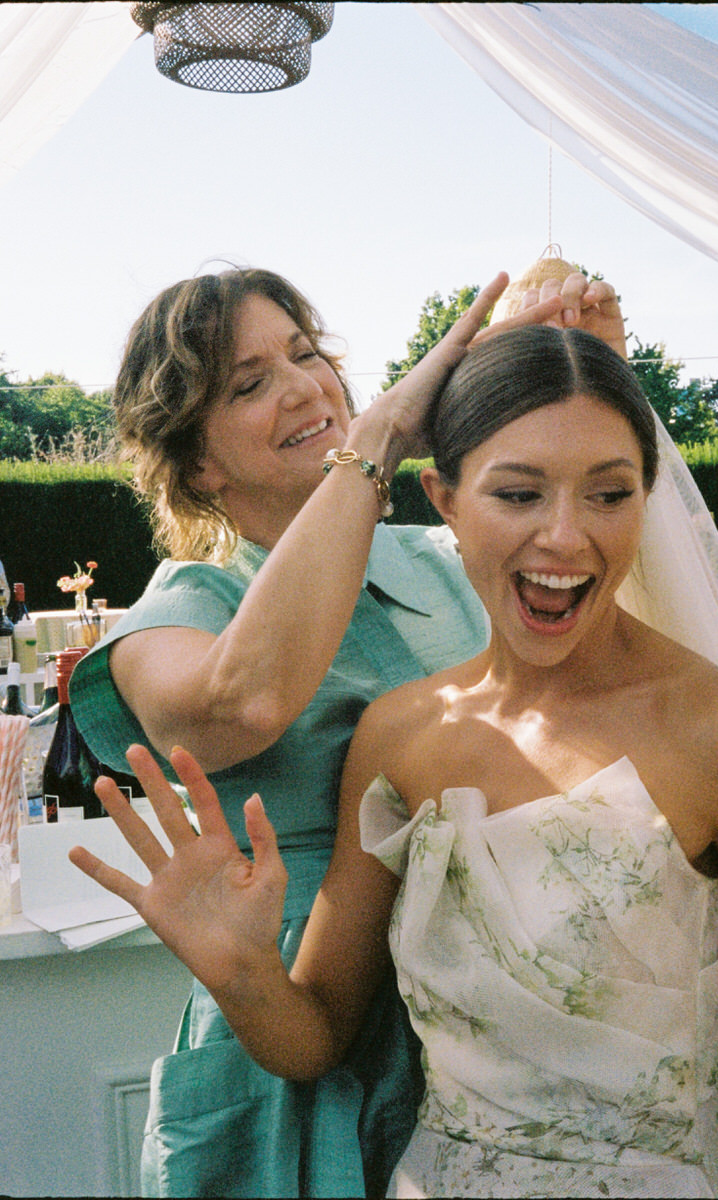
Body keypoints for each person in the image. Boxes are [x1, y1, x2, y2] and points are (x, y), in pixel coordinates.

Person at [72, 325, 718, 1199]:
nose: (565, 537)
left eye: (609, 494)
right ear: (444, 501)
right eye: (519, 494)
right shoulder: (398, 735)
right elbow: (314, 1036)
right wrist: (237, 966)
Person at [68, 263, 626, 1197]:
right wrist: (379, 441)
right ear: (197, 461)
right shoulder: (181, 610)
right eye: (249, 384)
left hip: (499, 1025)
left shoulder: (451, 558)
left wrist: (580, 368)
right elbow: (242, 702)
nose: (303, 386)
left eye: (304, 353)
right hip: (294, 1021)